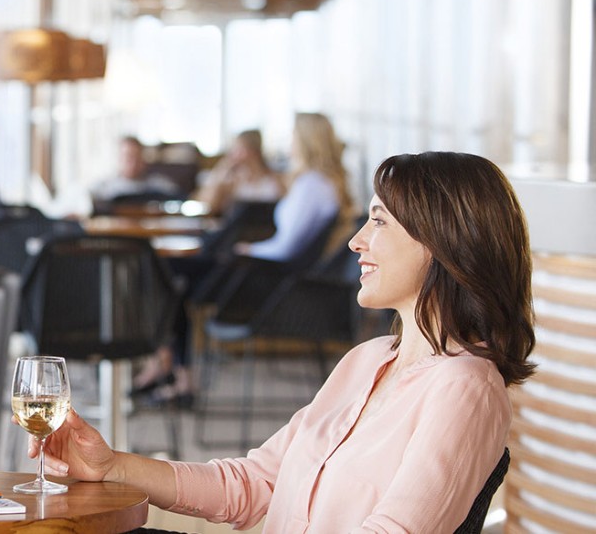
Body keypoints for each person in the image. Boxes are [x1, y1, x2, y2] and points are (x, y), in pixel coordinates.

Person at [34, 151, 535, 532]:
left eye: (379, 221)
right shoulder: (368, 360)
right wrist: (113, 466)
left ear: (444, 241)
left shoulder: (465, 387)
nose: (357, 240)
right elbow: (255, 484)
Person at [236, 113, 351, 260]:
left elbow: (285, 249)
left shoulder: (311, 185)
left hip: (280, 270)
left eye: (293, 136)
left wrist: (251, 250)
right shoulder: (322, 182)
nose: (290, 143)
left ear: (305, 142)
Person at [194, 129, 285, 214]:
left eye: (241, 149)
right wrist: (222, 171)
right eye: (235, 150)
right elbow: (209, 206)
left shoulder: (276, 179)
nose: (236, 155)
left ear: (256, 151)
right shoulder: (232, 181)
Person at [90, 135, 180, 204]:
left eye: (136, 157)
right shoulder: (102, 188)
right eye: (128, 157)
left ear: (143, 159)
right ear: (119, 158)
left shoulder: (161, 186)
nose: (133, 163)